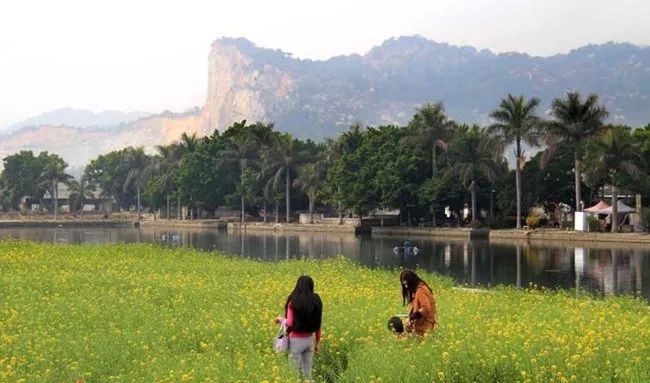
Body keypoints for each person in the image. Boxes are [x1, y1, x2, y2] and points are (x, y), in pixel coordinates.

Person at [275, 275, 323, 379]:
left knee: (293, 374)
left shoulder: (293, 301)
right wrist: (317, 342)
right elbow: (318, 323)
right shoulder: (316, 300)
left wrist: (280, 319)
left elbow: (290, 323)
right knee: (308, 374)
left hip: (296, 342)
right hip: (309, 341)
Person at [399, 269, 436, 336]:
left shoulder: (421, 291)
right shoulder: (416, 291)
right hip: (418, 327)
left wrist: (413, 316)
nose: (406, 288)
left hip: (424, 329)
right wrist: (410, 322)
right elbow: (416, 310)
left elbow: (426, 308)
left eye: (407, 285)